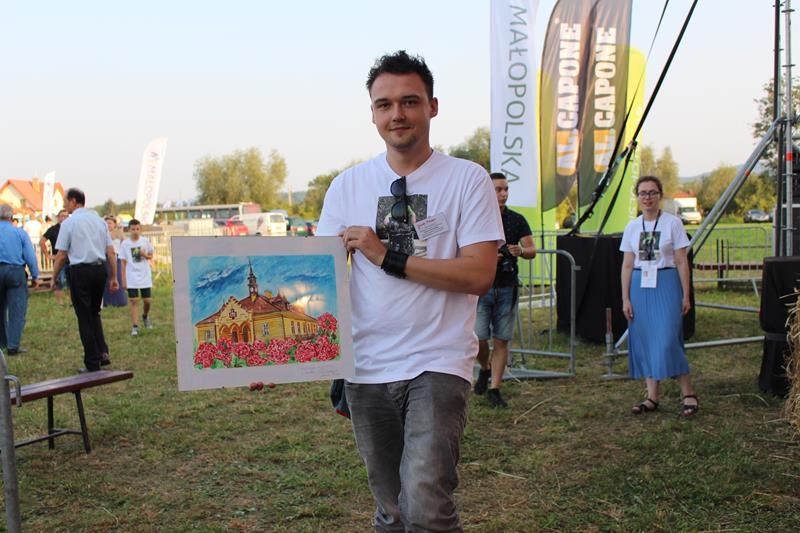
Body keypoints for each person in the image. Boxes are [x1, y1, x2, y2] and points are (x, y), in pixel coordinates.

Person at [316, 50, 503, 532]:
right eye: (384, 104)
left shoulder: (467, 179)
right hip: (366, 367)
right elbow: (317, 281)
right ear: (372, 114)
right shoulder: (346, 186)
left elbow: (479, 274)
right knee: (392, 509)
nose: (396, 114)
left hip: (438, 360)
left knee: (425, 504)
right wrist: (271, 354)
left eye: (409, 101)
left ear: (432, 107)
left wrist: (387, 257)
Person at [620, 175, 699, 417]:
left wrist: (686, 295)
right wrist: (625, 298)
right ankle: (652, 396)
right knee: (645, 339)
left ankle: (688, 392)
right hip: (640, 286)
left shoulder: (673, 223)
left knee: (667, 339)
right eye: (643, 193)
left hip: (666, 283)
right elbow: (627, 264)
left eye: (652, 192)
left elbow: (681, 261)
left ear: (660, 195)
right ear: (637, 197)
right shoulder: (632, 227)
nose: (648, 197)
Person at [473, 172, 536, 408]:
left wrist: (521, 251)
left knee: (502, 340)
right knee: (478, 338)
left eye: (506, 189)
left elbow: (531, 250)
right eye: (498, 189)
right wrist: (488, 257)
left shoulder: (517, 219)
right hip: (482, 287)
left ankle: (495, 388)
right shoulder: (476, 217)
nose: (503, 194)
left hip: (508, 287)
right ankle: (485, 367)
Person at [51, 188, 118, 372]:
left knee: (84, 316)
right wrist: (113, 276)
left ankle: (92, 361)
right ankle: (102, 351)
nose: (64, 205)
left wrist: (54, 277)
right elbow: (110, 251)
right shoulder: (99, 221)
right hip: (99, 270)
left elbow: (62, 255)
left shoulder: (69, 223)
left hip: (80, 271)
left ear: (73, 201)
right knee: (94, 312)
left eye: (65, 202)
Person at [0, 204, 39, 355]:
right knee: (17, 309)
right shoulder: (19, 233)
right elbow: (30, 255)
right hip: (15, 271)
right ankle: (13, 345)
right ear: (12, 217)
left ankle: (2, 343)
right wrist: (35, 275)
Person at [119, 218, 154, 336]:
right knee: (133, 301)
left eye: (137, 229)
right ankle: (135, 326)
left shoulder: (145, 241)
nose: (135, 231)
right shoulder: (125, 244)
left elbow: (151, 255)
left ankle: (145, 316)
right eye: (133, 229)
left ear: (141, 229)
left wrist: (145, 255)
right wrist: (123, 279)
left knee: (147, 301)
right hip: (131, 276)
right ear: (129, 230)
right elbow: (123, 262)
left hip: (144, 275)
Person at [41, 209, 70, 306]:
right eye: (62, 216)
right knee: (59, 281)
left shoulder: (72, 228)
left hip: (72, 259)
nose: (64, 218)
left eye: (66, 216)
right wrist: (47, 255)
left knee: (72, 282)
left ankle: (72, 302)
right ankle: (60, 303)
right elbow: (42, 241)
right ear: (58, 218)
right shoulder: (53, 229)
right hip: (59, 260)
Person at [103, 216, 128, 308]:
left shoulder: (119, 233)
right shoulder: (102, 233)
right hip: (105, 258)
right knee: (106, 279)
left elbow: (125, 244)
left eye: (110, 223)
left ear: (114, 224)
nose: (108, 225)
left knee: (117, 277)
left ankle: (118, 301)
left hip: (117, 258)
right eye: (106, 223)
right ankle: (106, 301)